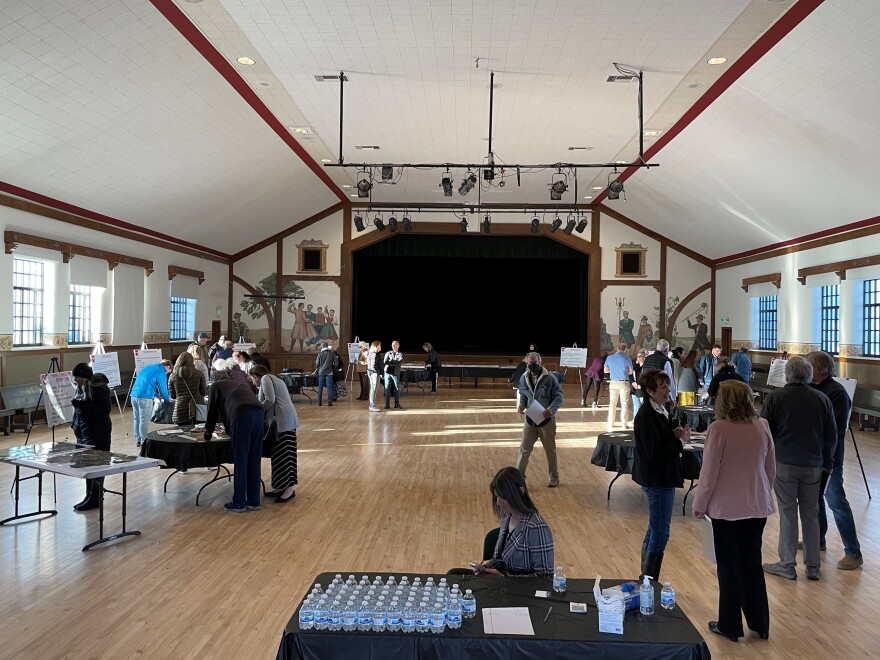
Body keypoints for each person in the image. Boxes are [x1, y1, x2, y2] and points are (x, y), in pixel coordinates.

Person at [692, 380, 776, 642]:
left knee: (729, 566)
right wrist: (763, 492)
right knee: (752, 564)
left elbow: (709, 474)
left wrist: (699, 505)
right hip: (757, 505)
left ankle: (729, 625)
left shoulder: (718, 428)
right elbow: (770, 468)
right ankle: (760, 624)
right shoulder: (762, 425)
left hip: (725, 509)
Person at [761, 356, 836, 581]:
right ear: (809, 375)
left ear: (787, 375)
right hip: (813, 465)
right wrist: (828, 463)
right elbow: (831, 436)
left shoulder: (776, 397)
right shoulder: (822, 399)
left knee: (788, 513)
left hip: (784, 462)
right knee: (811, 514)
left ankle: (787, 564)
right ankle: (813, 566)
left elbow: (765, 431)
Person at [805, 351, 863, 570]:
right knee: (815, 500)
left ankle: (853, 552)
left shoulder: (837, 393)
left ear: (820, 370)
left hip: (829, 458)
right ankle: (818, 540)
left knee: (837, 502)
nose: (805, 369)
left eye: (808, 365)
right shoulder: (810, 387)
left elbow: (834, 429)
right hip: (811, 455)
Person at [632, 368, 690, 581]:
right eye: (663, 387)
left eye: (668, 385)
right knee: (661, 533)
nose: (668, 390)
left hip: (661, 477)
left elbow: (659, 438)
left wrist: (673, 434)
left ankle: (646, 578)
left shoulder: (658, 409)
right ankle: (649, 581)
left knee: (655, 529)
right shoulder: (646, 415)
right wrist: (680, 441)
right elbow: (653, 452)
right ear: (650, 391)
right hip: (657, 479)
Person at [470, 467, 554, 578]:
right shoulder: (507, 517)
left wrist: (505, 578)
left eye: (503, 497)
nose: (498, 503)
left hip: (518, 588)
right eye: (496, 497)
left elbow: (545, 577)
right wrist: (485, 568)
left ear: (520, 493)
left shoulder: (536, 527)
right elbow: (501, 559)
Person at [204, 371, 264, 513]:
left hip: (242, 414)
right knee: (254, 459)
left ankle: (239, 502)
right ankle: (254, 501)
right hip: (259, 413)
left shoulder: (215, 386)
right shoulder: (238, 384)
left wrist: (208, 433)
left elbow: (212, 412)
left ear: (213, 379)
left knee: (241, 460)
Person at [515, 352, 563, 488]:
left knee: (550, 450)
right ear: (526, 363)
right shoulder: (523, 378)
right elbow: (523, 394)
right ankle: (518, 478)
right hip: (530, 419)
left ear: (540, 363)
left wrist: (551, 409)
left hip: (547, 420)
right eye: (530, 363)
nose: (533, 365)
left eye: (535, 362)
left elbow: (559, 397)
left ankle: (554, 477)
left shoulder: (550, 378)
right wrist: (522, 404)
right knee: (524, 449)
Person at [253, 365, 300, 504]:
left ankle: (289, 489)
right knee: (280, 455)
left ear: (257, 375)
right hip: (284, 420)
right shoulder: (273, 378)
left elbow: (270, 399)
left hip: (282, 421)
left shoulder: (266, 378)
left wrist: (256, 410)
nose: (254, 381)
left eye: (253, 378)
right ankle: (281, 486)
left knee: (284, 455)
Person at [70, 363, 112, 511]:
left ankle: (96, 497)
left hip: (98, 433)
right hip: (84, 432)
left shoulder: (99, 388)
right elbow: (79, 413)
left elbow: (104, 411)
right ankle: (89, 495)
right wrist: (75, 425)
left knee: (97, 465)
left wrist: (83, 406)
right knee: (87, 465)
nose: (76, 381)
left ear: (85, 377)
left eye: (77, 378)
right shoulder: (81, 388)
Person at [129, 359, 172, 448]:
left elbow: (146, 383)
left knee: (137, 419)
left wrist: (156, 395)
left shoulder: (148, 367)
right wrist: (168, 400)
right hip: (144, 397)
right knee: (144, 420)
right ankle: (144, 441)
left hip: (133, 395)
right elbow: (163, 389)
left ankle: (138, 440)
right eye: (168, 372)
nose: (167, 373)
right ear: (168, 367)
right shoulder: (161, 371)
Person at [168, 352, 207, 426]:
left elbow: (173, 396)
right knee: (198, 431)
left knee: (182, 431)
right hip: (197, 408)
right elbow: (203, 392)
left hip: (180, 408)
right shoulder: (199, 374)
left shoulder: (173, 376)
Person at [604, 342, 634, 431]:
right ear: (625, 349)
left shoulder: (609, 358)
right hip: (624, 382)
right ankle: (624, 424)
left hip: (613, 382)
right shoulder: (627, 358)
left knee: (612, 403)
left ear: (617, 348)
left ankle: (610, 423)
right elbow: (630, 372)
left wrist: (613, 370)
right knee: (624, 403)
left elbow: (605, 370)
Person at [643, 339, 677, 405]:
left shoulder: (647, 359)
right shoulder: (665, 361)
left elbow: (643, 375)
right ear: (666, 350)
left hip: (648, 392)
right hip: (660, 394)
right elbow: (670, 380)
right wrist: (674, 398)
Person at [314, 341, 337, 406]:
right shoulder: (332, 353)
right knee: (329, 387)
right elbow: (336, 362)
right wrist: (333, 368)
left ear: (322, 346)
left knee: (320, 387)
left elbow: (317, 363)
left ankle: (319, 402)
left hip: (321, 372)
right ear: (327, 346)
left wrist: (318, 368)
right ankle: (329, 402)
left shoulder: (320, 354)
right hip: (329, 372)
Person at [383, 340, 404, 410]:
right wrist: (394, 363)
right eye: (393, 345)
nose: (394, 346)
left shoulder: (401, 354)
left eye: (396, 345)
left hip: (396, 373)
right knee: (387, 388)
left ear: (398, 345)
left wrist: (391, 361)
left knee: (397, 388)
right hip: (387, 373)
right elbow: (385, 362)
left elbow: (399, 362)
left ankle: (397, 404)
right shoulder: (388, 353)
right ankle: (387, 404)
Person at [366, 340, 383, 412]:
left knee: (373, 389)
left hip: (372, 372)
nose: (380, 347)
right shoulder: (374, 354)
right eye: (379, 346)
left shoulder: (370, 353)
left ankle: (372, 405)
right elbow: (373, 365)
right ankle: (372, 406)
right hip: (374, 373)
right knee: (373, 389)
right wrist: (379, 373)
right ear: (376, 346)